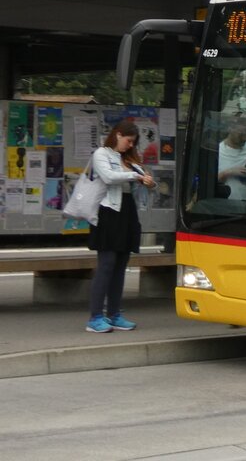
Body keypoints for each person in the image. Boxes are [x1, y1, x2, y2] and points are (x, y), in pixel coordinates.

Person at [86, 118, 157, 333]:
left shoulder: (130, 158)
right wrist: (135, 175)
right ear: (118, 135)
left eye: (134, 141)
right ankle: (95, 317)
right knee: (106, 264)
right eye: (129, 140)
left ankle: (114, 314)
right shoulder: (102, 154)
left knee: (120, 266)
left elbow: (143, 183)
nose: (131, 145)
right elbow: (108, 177)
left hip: (127, 211)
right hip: (107, 212)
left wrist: (148, 181)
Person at [217, 116, 246, 200]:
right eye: (241, 133)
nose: (244, 138)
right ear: (230, 129)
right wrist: (228, 173)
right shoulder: (217, 151)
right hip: (223, 205)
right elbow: (207, 184)